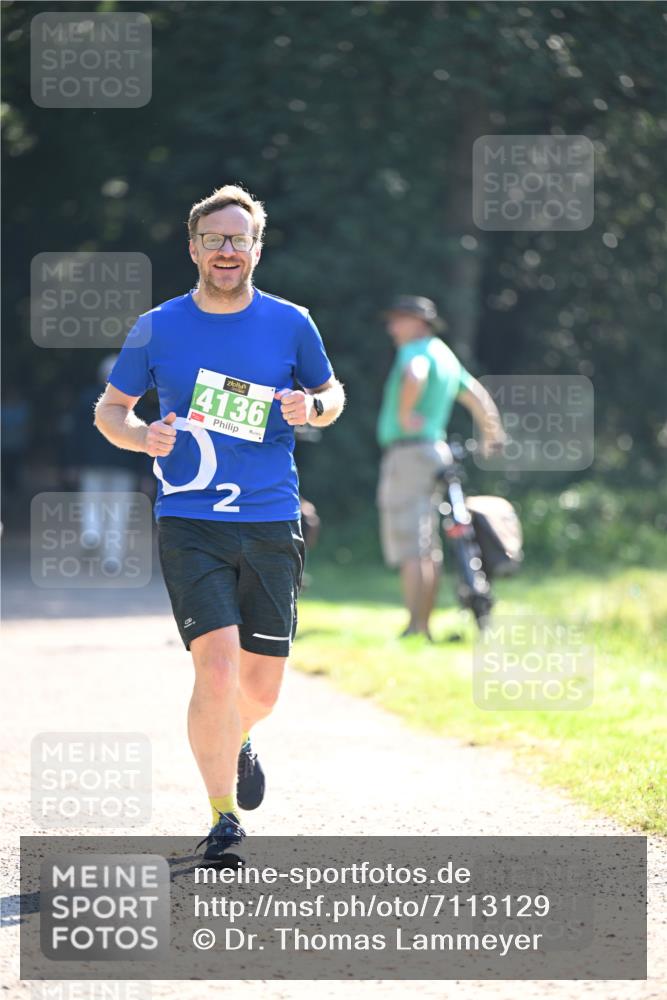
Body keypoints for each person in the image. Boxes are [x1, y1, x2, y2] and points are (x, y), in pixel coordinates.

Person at [94, 184, 345, 859]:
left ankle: (238, 736)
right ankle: (222, 816)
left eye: (238, 239)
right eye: (214, 239)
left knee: (259, 687)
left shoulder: (291, 322)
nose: (227, 250)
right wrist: (140, 434)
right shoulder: (158, 326)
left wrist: (311, 410)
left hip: (269, 518)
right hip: (190, 518)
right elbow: (111, 409)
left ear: (256, 248)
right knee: (217, 668)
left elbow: (330, 392)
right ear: (193, 248)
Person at [376, 295, 504, 640]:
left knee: (410, 544)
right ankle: (422, 625)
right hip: (436, 451)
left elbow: (414, 375)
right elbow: (476, 394)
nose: (391, 327)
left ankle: (416, 627)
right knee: (426, 542)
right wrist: (494, 433)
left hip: (408, 452)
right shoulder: (444, 354)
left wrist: (405, 415)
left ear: (418, 323)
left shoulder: (415, 351)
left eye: (398, 320)